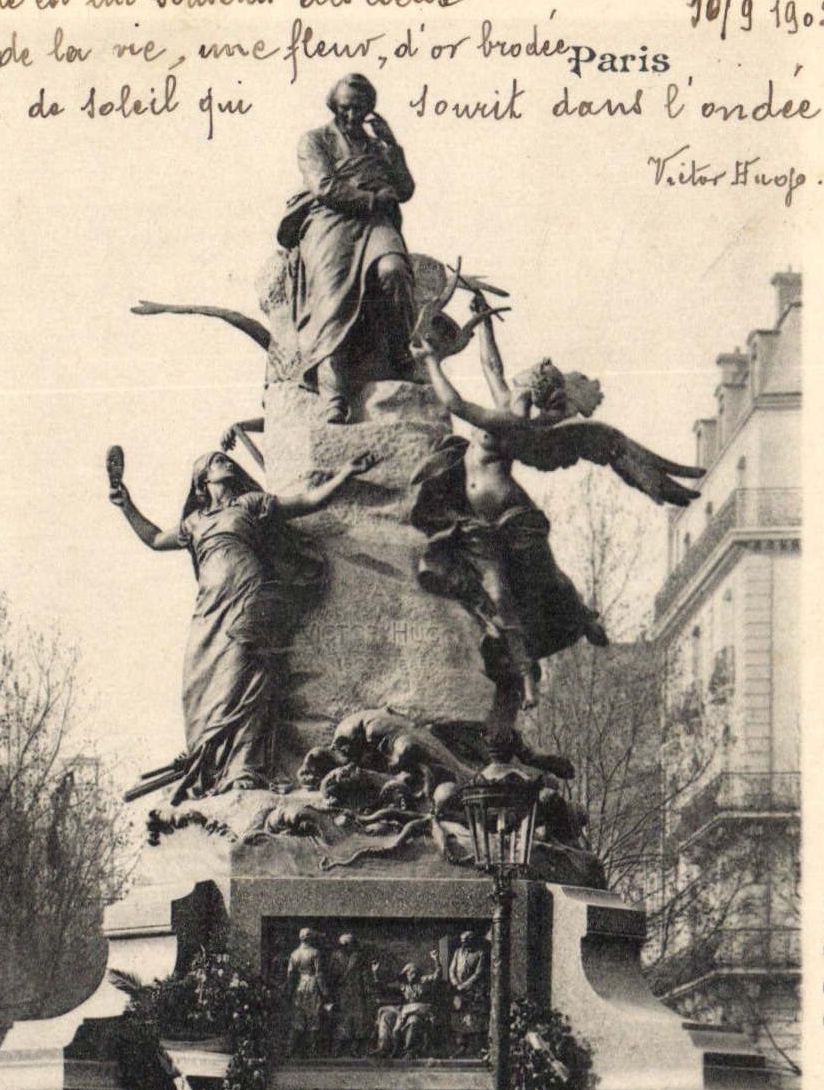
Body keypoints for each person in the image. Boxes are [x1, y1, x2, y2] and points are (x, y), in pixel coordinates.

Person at [410, 298, 702, 745]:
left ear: (534, 388)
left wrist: (431, 360)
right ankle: (529, 668)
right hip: (476, 524)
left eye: (527, 375)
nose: (517, 375)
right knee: (500, 595)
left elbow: (453, 400)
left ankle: (567, 634)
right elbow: (491, 364)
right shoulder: (511, 403)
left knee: (541, 583)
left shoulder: (510, 420)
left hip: (514, 518)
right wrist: (486, 321)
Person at [109, 444, 375, 801]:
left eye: (226, 458)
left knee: (246, 680)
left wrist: (346, 473)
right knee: (200, 690)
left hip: (248, 601)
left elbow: (308, 501)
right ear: (202, 481)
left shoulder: (250, 505)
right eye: (217, 461)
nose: (226, 462)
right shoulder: (195, 522)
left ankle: (243, 770)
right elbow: (155, 538)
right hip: (208, 613)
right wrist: (126, 504)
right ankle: (211, 770)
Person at [278, 73, 416, 423]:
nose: (354, 116)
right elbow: (324, 186)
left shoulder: (377, 145)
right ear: (335, 107)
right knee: (332, 298)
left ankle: (399, 353)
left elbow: (404, 189)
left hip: (376, 222)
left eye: (361, 108)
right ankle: (333, 395)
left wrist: (392, 145)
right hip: (331, 219)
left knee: (394, 271)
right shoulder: (314, 140)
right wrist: (370, 198)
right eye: (346, 108)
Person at [285, 928, 330, 1055]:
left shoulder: (294, 954)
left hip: (299, 986)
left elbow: (290, 975)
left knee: (298, 1018)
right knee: (313, 1017)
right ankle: (312, 1050)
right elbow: (319, 974)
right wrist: (325, 992)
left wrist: (289, 991)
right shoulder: (315, 953)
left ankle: (291, 1049)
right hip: (312, 985)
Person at [329, 932, 376, 1056]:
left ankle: (355, 1049)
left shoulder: (359, 957)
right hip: (342, 993)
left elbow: (365, 974)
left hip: (356, 992)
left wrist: (368, 989)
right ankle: (337, 1049)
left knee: (357, 1021)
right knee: (342, 1020)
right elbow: (331, 974)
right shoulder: (335, 956)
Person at [448, 931, 489, 1054]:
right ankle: (461, 1045)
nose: (463, 942)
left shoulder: (480, 953)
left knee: (473, 1018)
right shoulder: (458, 952)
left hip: (474, 991)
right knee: (458, 1017)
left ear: (472, 940)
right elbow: (452, 969)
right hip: (459, 991)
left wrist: (465, 985)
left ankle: (475, 1047)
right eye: (461, 940)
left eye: (466, 940)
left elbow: (479, 973)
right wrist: (456, 983)